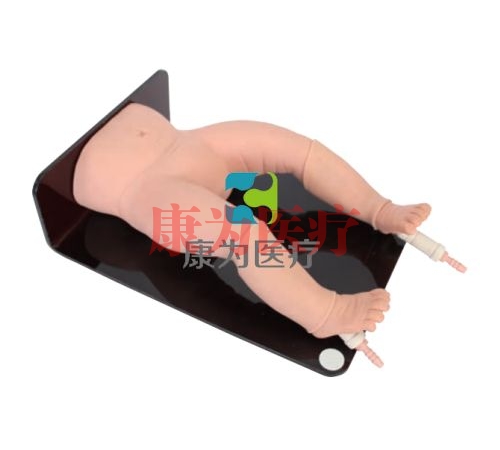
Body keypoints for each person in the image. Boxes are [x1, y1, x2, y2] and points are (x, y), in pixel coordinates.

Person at [73, 102, 431, 338]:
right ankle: (326, 314)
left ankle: (380, 209)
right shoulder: (147, 191)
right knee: (243, 234)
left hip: (191, 143)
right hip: (147, 188)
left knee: (296, 149)